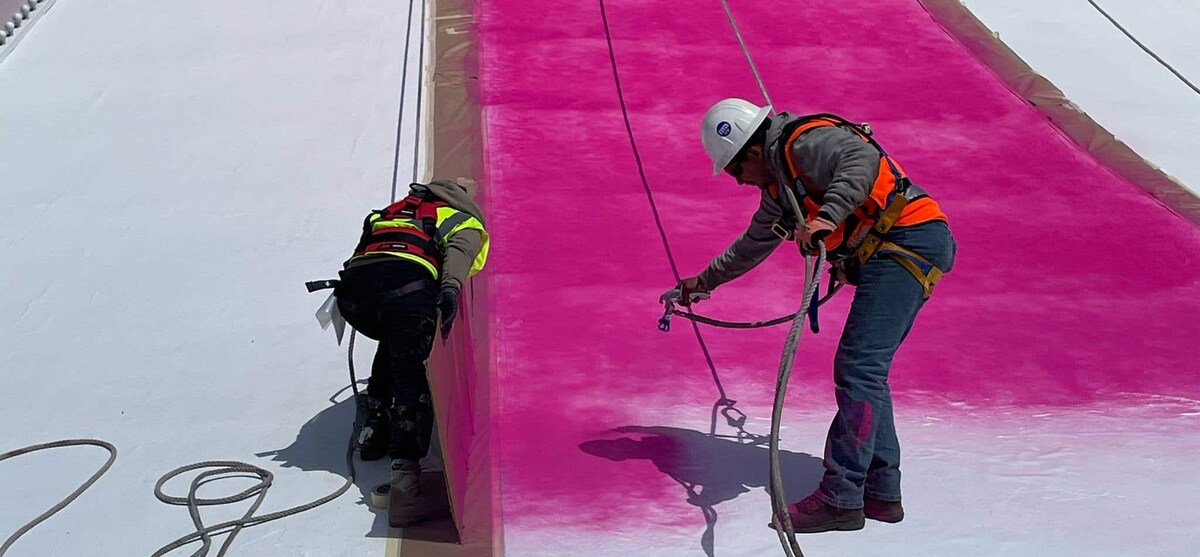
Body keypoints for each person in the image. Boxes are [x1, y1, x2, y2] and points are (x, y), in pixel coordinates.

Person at [676, 98, 956, 533]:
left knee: (859, 368)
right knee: (867, 370)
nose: (739, 181)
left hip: (907, 241)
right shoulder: (780, 189)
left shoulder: (802, 145)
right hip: (898, 246)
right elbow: (751, 245)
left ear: (753, 152)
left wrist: (827, 217)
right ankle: (881, 491)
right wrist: (703, 282)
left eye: (735, 170)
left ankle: (841, 496)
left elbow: (860, 161)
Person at [335, 179, 488, 525]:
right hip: (407, 288)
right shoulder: (459, 218)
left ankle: (373, 431)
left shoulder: (390, 214)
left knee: (394, 340)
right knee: (412, 377)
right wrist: (449, 290)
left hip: (353, 297)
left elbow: (363, 254)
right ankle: (406, 491)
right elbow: (460, 254)